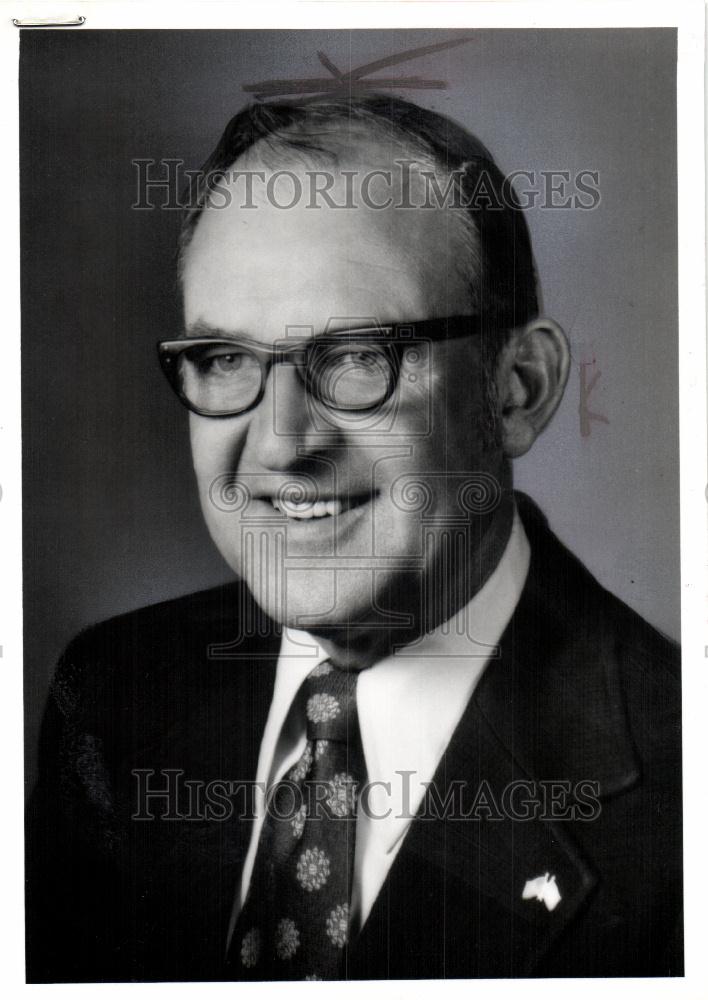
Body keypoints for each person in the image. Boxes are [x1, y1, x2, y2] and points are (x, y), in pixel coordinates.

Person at [25, 94, 682, 982]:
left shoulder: (686, 794)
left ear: (517, 390)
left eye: (359, 355)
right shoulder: (113, 698)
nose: (285, 444)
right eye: (226, 361)